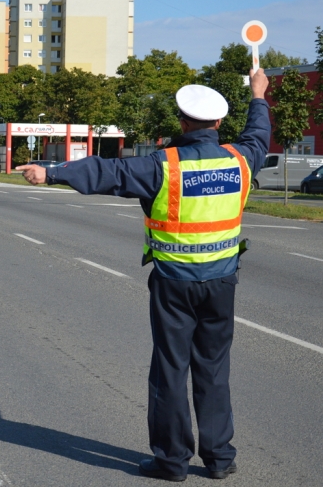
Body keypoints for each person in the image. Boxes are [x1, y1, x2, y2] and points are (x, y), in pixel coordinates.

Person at [16, 69, 270, 482]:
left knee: (171, 370)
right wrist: (258, 95)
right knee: (213, 369)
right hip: (222, 282)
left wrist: (52, 172)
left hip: (174, 285)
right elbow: (259, 133)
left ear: (182, 122)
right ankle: (220, 457)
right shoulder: (242, 159)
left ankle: (172, 461)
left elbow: (108, 172)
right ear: (220, 122)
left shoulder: (163, 165)